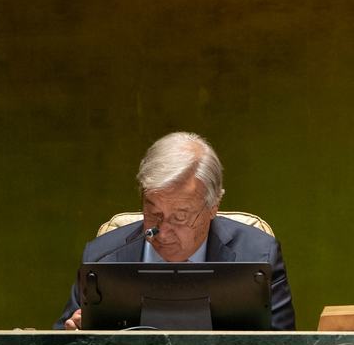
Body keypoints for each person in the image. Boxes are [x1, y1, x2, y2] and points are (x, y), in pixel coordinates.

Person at [56, 132, 295, 330]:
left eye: (180, 217)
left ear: (213, 208)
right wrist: (75, 336)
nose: (162, 231)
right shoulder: (101, 256)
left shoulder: (259, 255)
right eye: (153, 214)